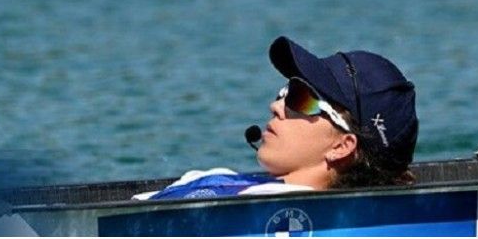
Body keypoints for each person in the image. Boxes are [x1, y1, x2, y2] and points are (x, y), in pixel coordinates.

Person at [139, 36, 419, 199]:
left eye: (300, 98)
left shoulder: (255, 213)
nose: (276, 107)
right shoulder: (215, 177)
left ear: (342, 146)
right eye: (283, 92)